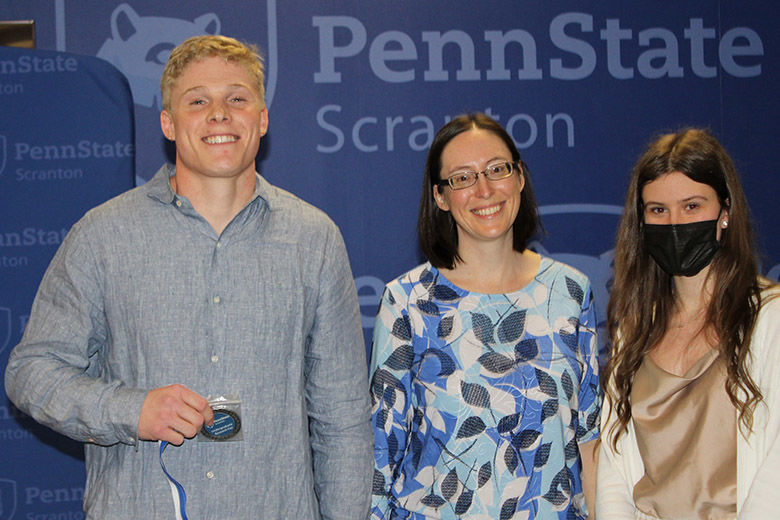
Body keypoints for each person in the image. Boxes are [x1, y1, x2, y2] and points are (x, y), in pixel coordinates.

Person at [4, 35, 372, 519]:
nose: (219, 113)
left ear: (261, 118)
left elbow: (343, 420)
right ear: (169, 124)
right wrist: (128, 411)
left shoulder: (314, 240)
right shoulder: (102, 235)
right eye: (197, 101)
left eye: (236, 98)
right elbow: (31, 373)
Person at [369, 113, 601, 520]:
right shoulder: (408, 301)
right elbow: (380, 451)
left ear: (520, 177)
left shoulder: (570, 292)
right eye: (462, 177)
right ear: (440, 196)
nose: (485, 189)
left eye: (497, 169)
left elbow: (590, 441)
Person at [597, 128, 780, 519]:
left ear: (725, 213)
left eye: (692, 206)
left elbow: (774, 473)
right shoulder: (635, 328)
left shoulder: (770, 319)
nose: (675, 223)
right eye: (658, 210)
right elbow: (615, 464)